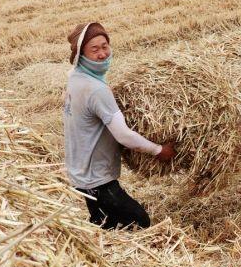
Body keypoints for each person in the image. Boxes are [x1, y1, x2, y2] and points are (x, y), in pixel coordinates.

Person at [63, 22, 174, 229]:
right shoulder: (96, 90)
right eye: (94, 49)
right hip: (97, 180)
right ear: (81, 55)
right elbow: (123, 135)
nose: (102, 54)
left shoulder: (75, 79)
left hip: (80, 174)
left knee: (105, 225)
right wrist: (159, 150)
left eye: (105, 46)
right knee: (140, 222)